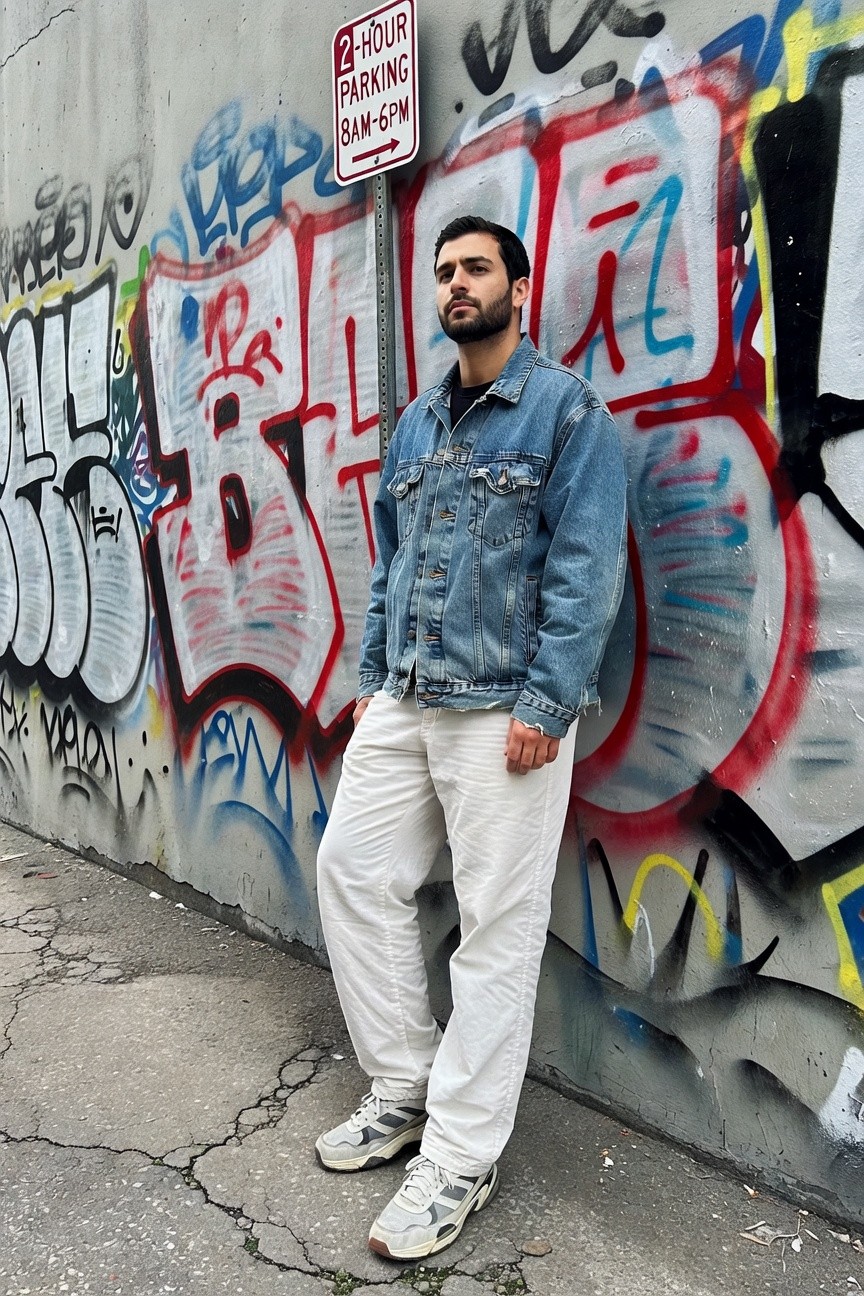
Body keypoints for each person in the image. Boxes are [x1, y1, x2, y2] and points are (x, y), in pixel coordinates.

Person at [315, 215, 627, 1261]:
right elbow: (389, 563)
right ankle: (405, 1087)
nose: (456, 283)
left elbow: (589, 568)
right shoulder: (416, 426)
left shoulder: (563, 411)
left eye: (476, 268)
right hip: (405, 698)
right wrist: (371, 682)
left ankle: (459, 1157)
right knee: (353, 870)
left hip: (505, 709)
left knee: (496, 927)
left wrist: (548, 702)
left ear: (518, 288)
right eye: (444, 270)